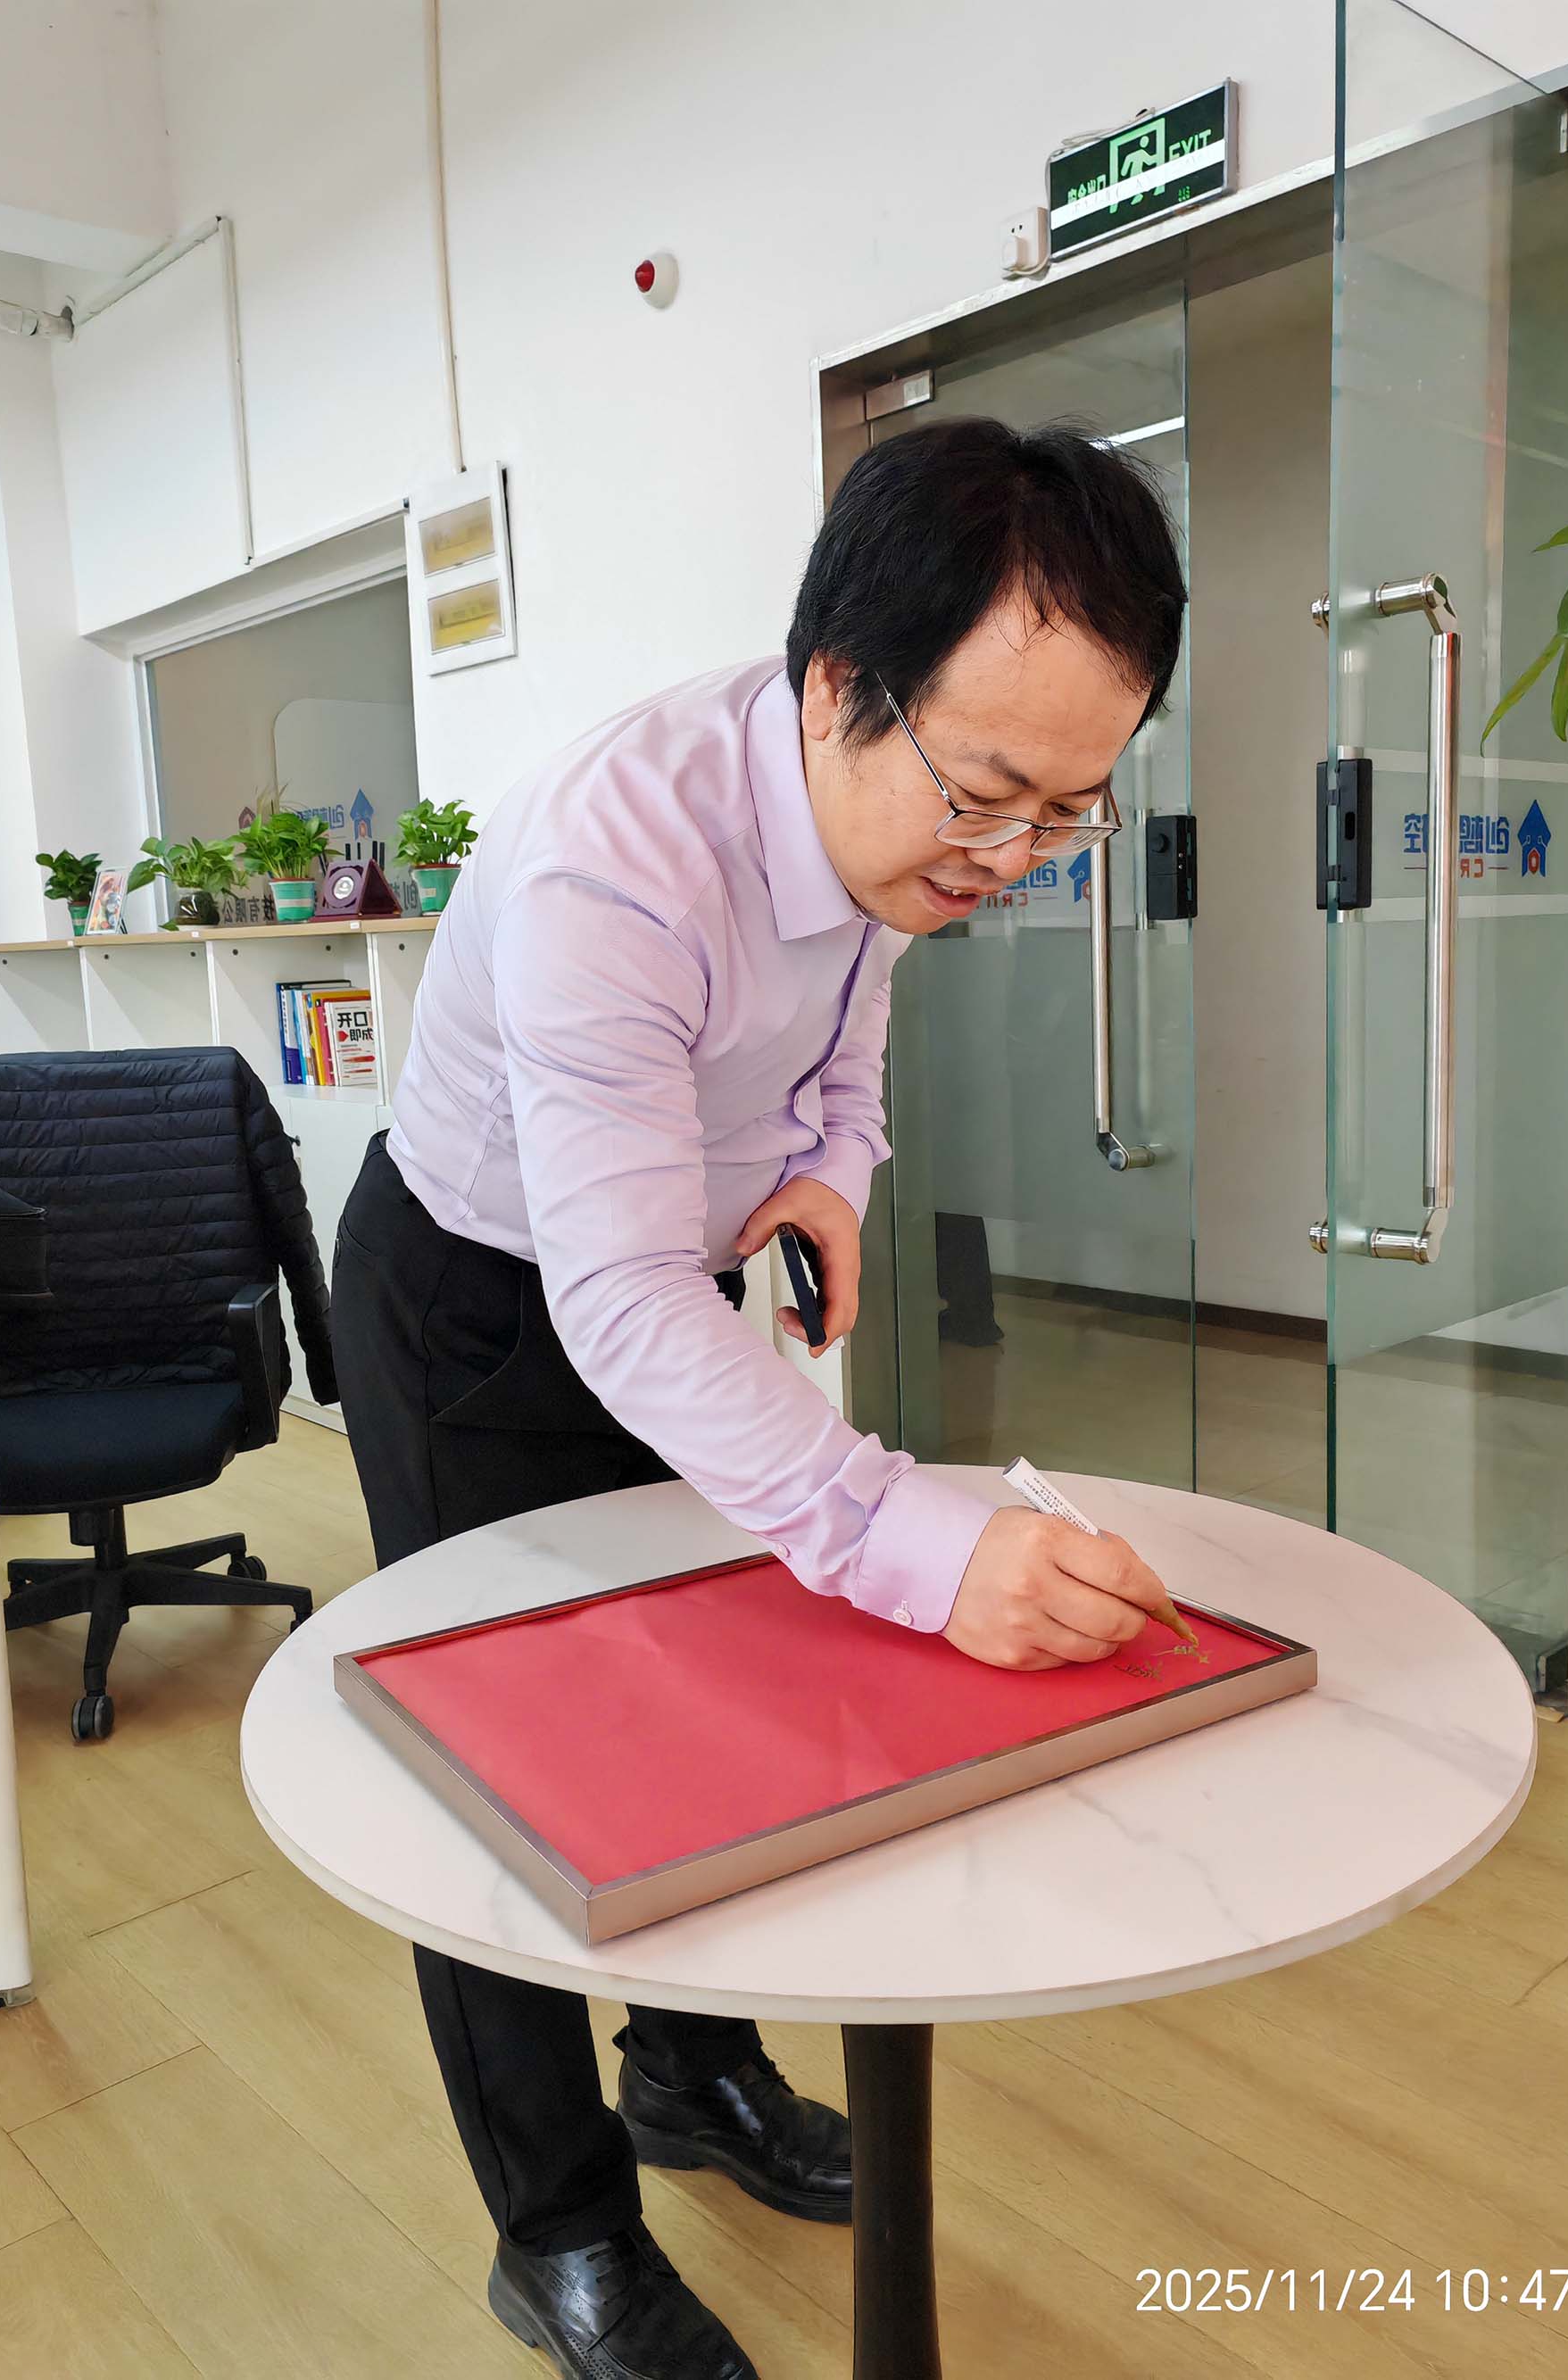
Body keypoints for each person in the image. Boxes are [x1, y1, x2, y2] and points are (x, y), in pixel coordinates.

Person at [330, 416, 1188, 2380]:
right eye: (987, 796)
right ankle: (559, 2231)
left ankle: (688, 2072)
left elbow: (849, 1026)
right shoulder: (614, 860)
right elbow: (616, 1289)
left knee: (688, 1696)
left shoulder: (893, 814)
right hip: (478, 1299)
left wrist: (831, 1171)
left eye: (1067, 813)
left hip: (662, 1281)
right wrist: (913, 1539)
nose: (1008, 858)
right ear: (833, 689)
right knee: (506, 1770)